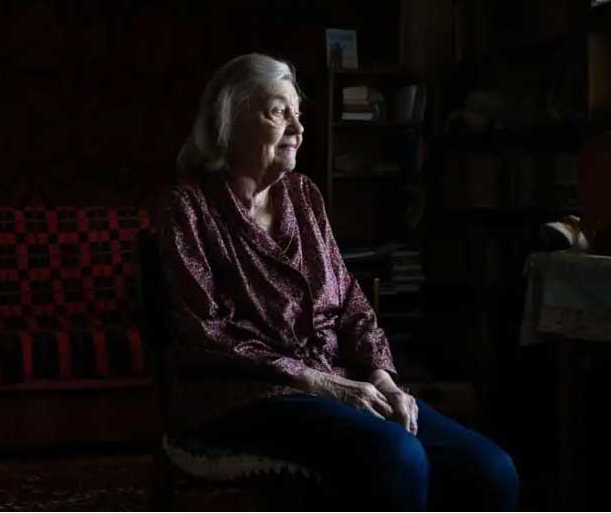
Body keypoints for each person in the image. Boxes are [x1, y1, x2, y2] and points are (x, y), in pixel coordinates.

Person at [158, 53, 519, 510]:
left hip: (340, 378)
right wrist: (321, 384)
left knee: (490, 468)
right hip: (245, 394)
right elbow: (205, 334)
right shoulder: (187, 208)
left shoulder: (304, 196)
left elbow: (350, 300)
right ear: (228, 119)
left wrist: (382, 378)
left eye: (298, 113)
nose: (298, 128)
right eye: (278, 111)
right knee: (397, 455)